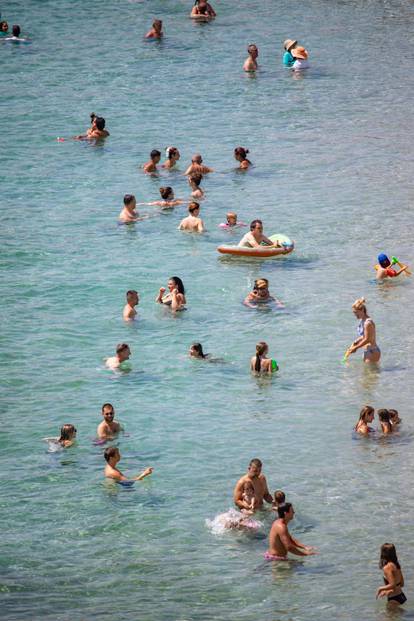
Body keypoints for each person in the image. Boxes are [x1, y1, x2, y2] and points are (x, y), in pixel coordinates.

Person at [344, 298, 381, 363]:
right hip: (368, 351)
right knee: (367, 373)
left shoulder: (367, 323)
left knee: (370, 373)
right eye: (354, 313)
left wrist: (356, 348)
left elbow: (368, 339)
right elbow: (365, 335)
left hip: (372, 352)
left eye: (356, 312)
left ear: (362, 310)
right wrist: (356, 341)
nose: (355, 315)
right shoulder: (363, 321)